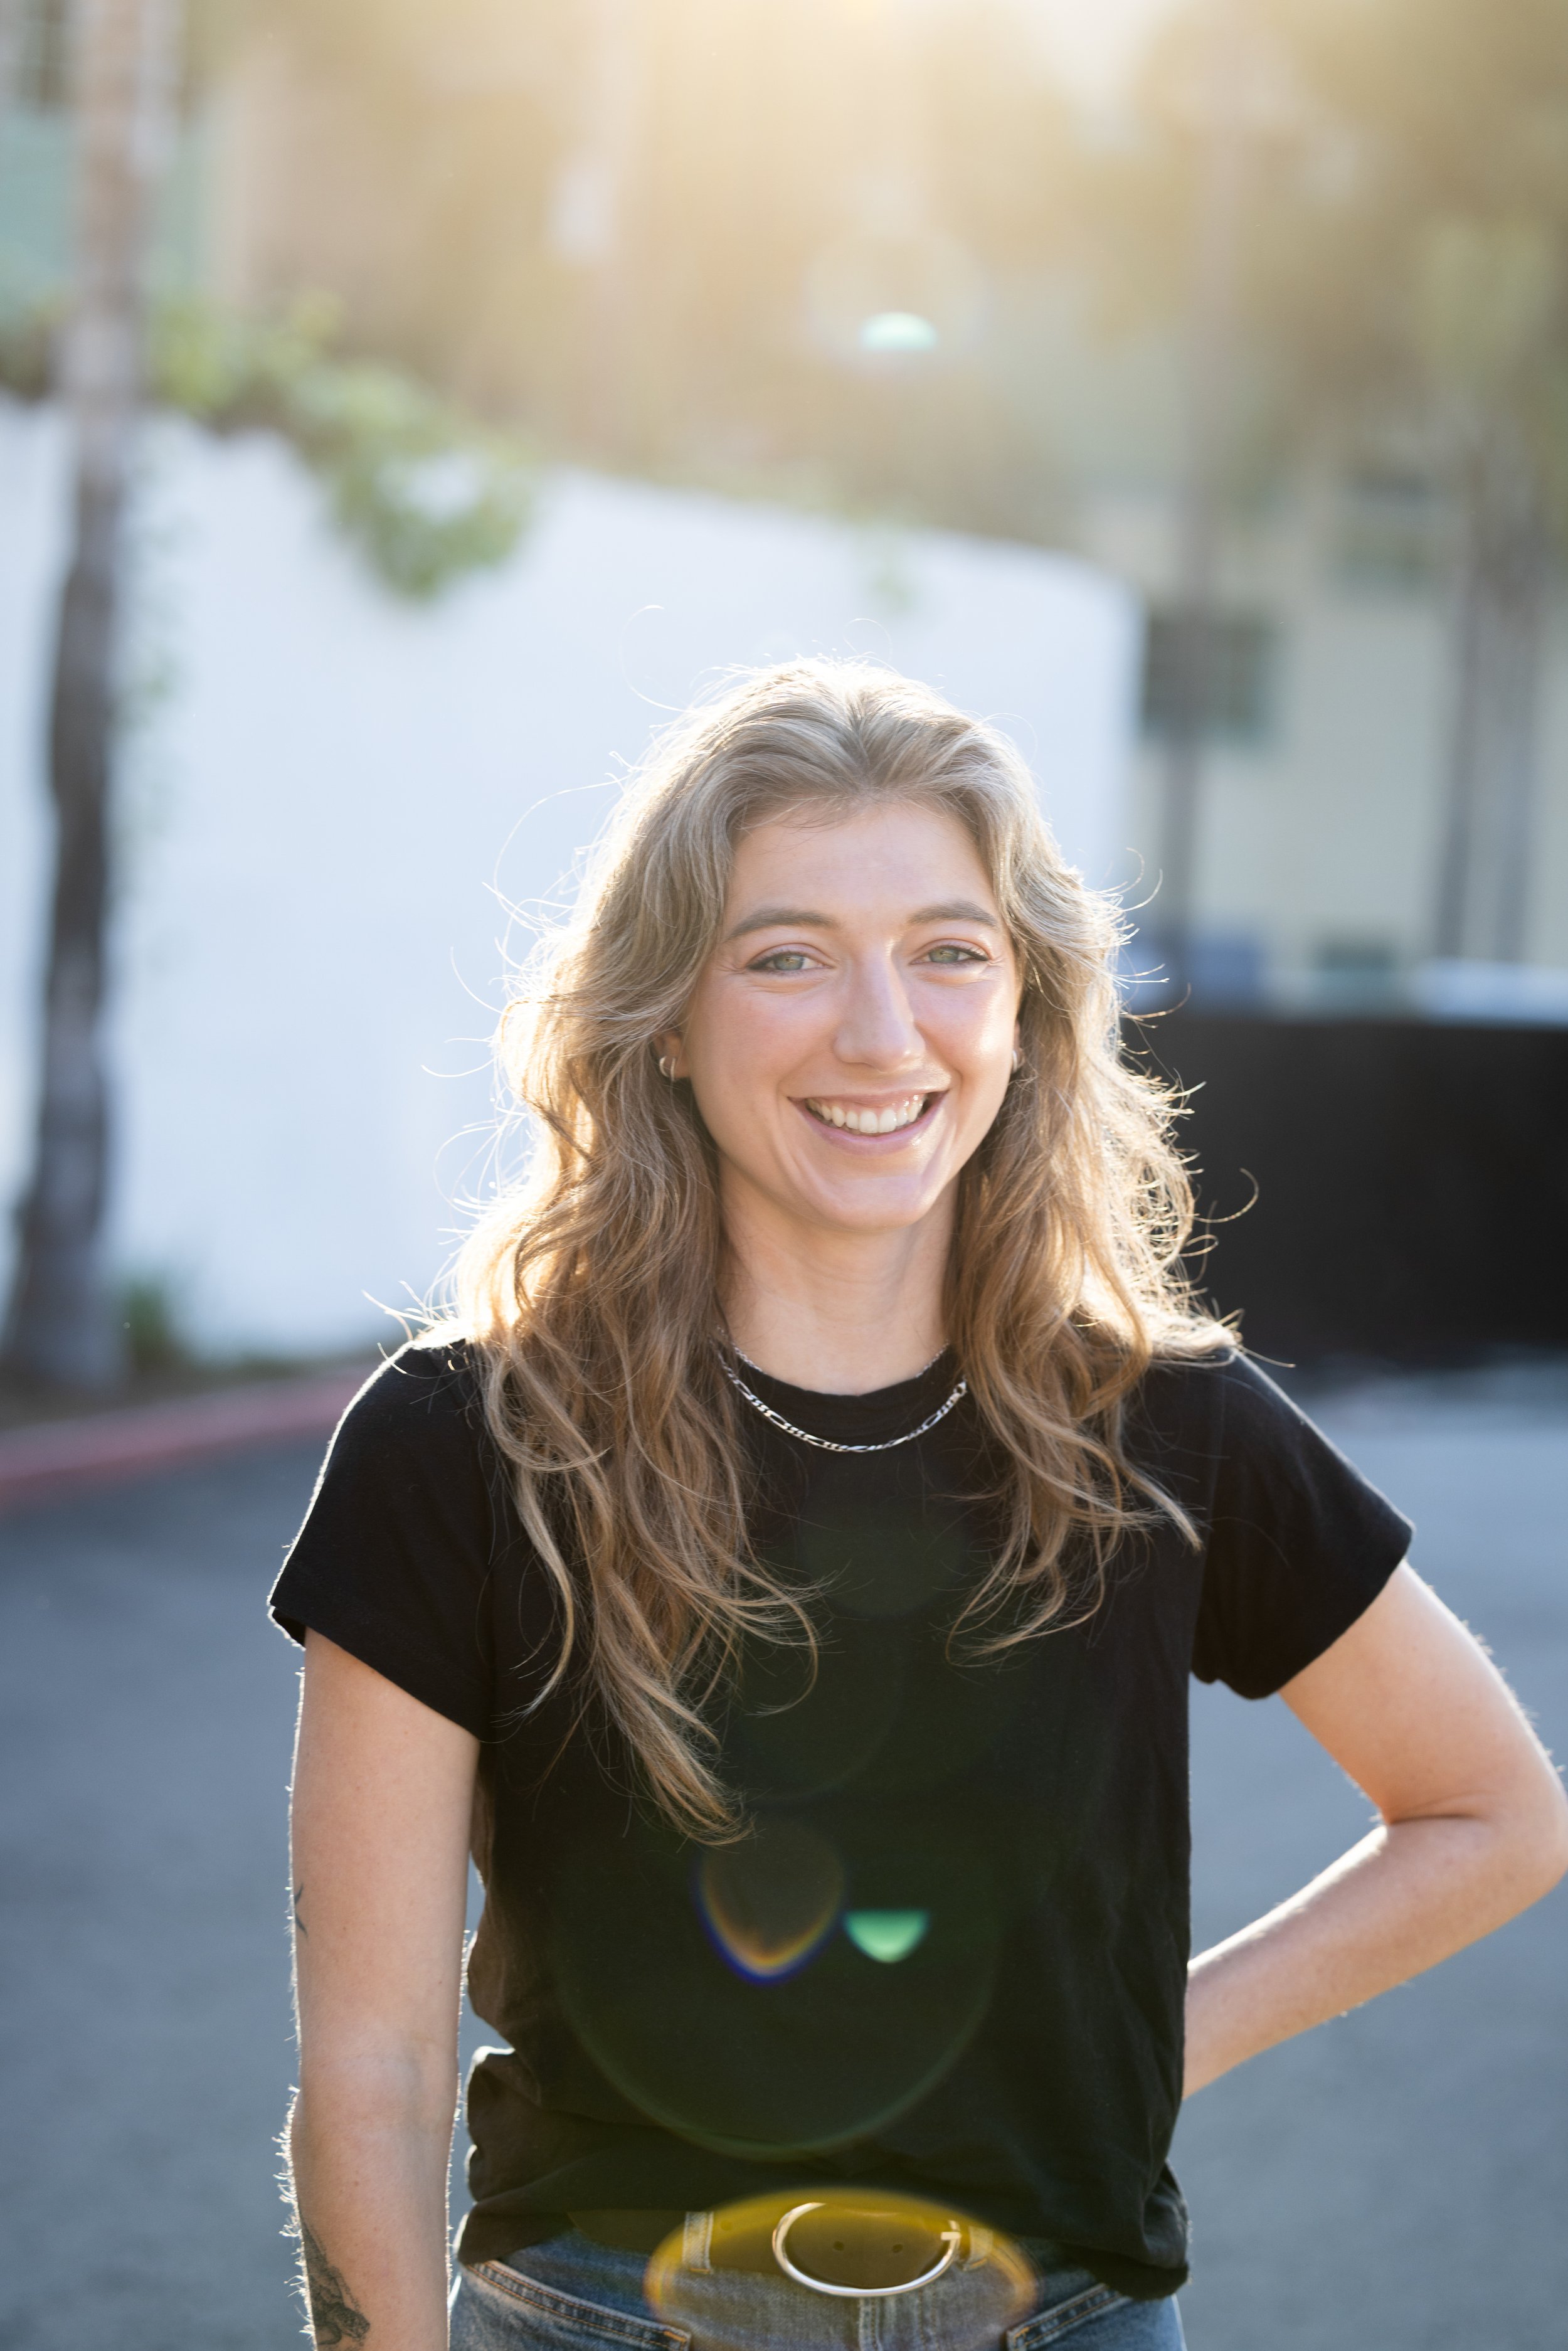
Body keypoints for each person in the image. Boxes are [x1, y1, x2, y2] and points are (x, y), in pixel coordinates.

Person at [271, 660, 1568, 2351]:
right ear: (664, 1013)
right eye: (788, 953)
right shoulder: (462, 1441)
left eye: (948, 951)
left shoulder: (1164, 1429)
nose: (881, 1034)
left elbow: (1488, 1809)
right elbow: (368, 2069)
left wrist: (1145, 2043)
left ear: (1025, 1009)